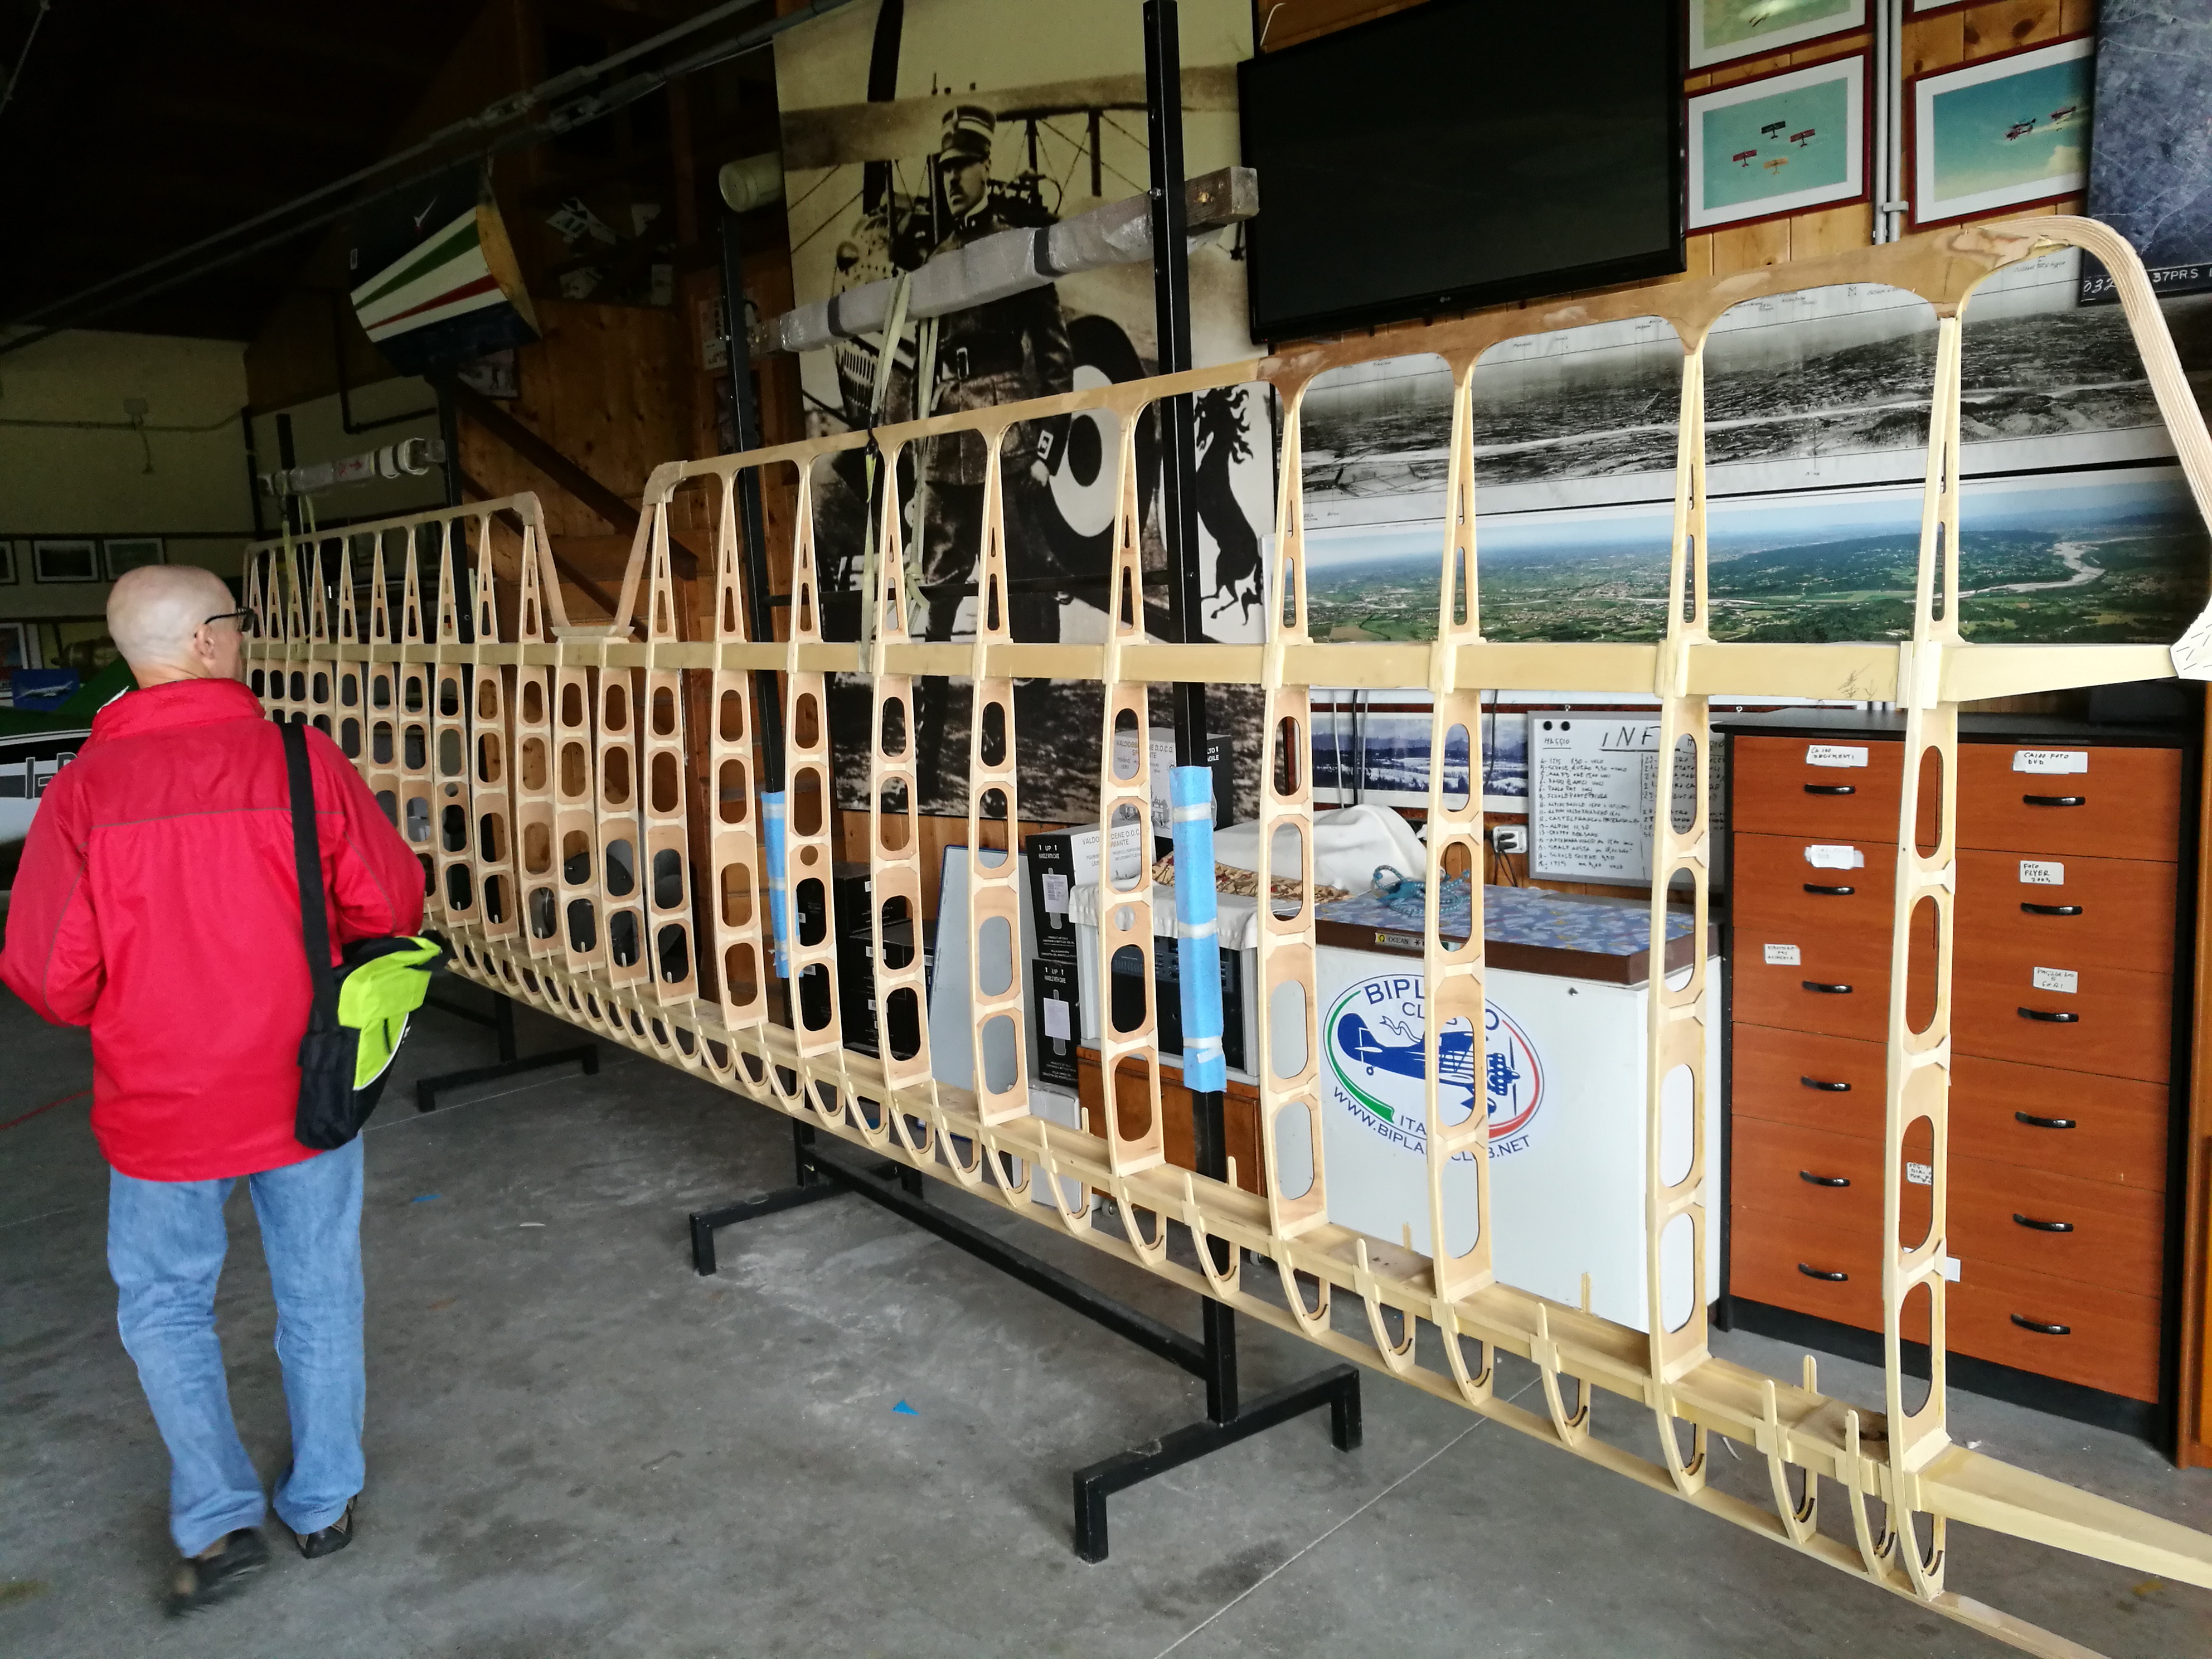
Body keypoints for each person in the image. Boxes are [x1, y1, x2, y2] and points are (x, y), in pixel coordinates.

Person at [0, 565, 425, 1614]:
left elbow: (48, 976)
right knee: (320, 1291)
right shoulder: (298, 758)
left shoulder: (84, 792)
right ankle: (322, 1503)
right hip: (304, 1088)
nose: (239, 639)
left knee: (165, 1307)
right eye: (232, 623)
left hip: (159, 1104)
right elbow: (389, 900)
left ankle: (219, 1518)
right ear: (203, 642)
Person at [911, 102, 1075, 807]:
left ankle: (999, 759)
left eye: (963, 167)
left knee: (1007, 597)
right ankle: (921, 758)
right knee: (938, 596)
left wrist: (1045, 445)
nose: (953, 180)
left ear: (986, 167)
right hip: (951, 437)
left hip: (1007, 434)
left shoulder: (1017, 246)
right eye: (945, 169)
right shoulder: (937, 260)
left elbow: (1056, 352)